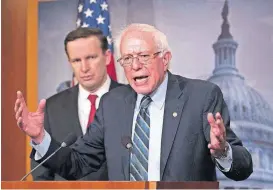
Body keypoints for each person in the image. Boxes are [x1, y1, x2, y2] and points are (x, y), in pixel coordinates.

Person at [15, 23, 253, 181]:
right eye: (127, 59)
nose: (135, 66)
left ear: (165, 58)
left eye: (143, 56)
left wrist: (223, 152)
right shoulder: (112, 104)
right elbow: (78, 162)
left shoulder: (202, 96)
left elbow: (244, 166)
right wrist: (40, 139)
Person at [30, 27, 123, 181]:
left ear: (107, 57)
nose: (84, 68)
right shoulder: (52, 107)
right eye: (76, 60)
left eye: (91, 57)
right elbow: (42, 176)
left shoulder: (131, 100)